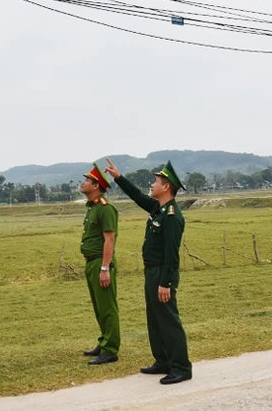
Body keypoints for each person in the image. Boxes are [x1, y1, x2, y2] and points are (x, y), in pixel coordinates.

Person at [104, 158, 192, 384]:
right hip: (151, 272)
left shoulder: (172, 215)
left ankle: (181, 367)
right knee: (155, 319)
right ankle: (163, 361)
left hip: (162, 273)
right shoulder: (159, 208)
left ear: (167, 187)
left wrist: (166, 283)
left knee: (169, 320)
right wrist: (119, 178)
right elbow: (138, 197)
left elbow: (172, 255)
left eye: (156, 181)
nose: (151, 185)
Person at [79, 162, 120, 365]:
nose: (83, 182)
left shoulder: (105, 209)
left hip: (100, 263)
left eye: (87, 180)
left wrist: (105, 268)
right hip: (91, 263)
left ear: (96, 186)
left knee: (107, 308)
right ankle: (104, 342)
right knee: (98, 307)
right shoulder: (92, 208)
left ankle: (111, 349)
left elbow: (109, 240)